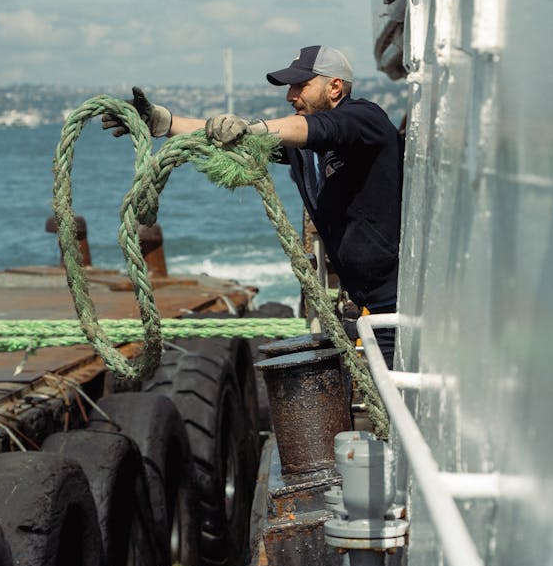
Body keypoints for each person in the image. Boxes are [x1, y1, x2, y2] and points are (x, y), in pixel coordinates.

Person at [102, 45, 402, 364]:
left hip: (400, 302)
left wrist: (255, 128)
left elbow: (319, 129)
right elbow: (229, 137)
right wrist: (163, 122)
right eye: (290, 87)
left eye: (301, 85)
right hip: (367, 302)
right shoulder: (304, 150)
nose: (291, 95)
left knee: (393, 401)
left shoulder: (365, 119)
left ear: (335, 86)